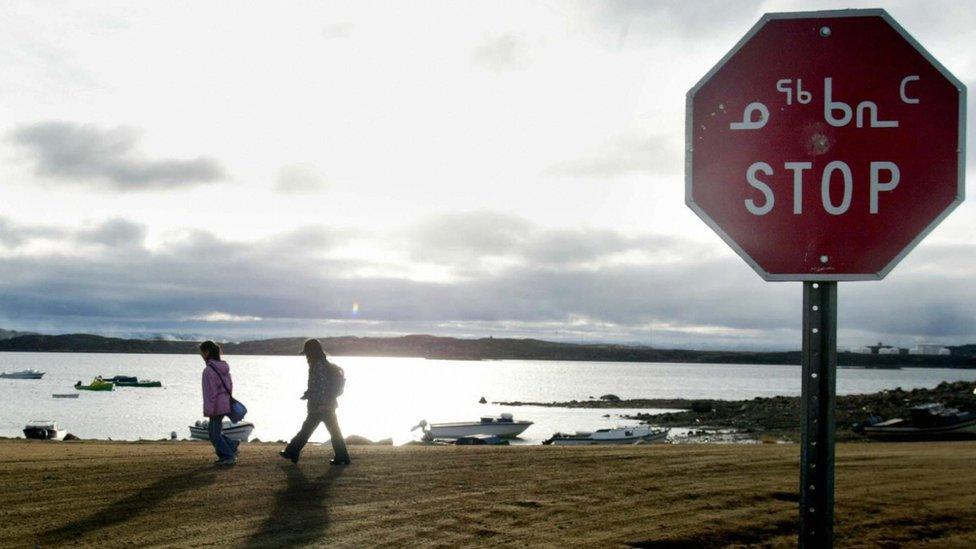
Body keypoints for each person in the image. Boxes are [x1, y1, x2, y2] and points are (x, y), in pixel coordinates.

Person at [280, 339, 350, 465]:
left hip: (321, 405)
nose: (306, 355)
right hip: (326, 404)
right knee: (331, 431)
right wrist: (308, 394)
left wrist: (321, 404)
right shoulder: (322, 364)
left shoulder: (318, 365)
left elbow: (321, 386)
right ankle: (342, 456)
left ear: (311, 352)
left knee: (307, 429)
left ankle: (292, 452)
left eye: (307, 352)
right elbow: (318, 386)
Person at [200, 340, 240, 465]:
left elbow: (210, 392)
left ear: (206, 352)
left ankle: (228, 456)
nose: (201, 356)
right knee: (213, 433)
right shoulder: (223, 368)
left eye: (201, 353)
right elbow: (230, 385)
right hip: (224, 403)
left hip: (216, 406)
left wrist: (209, 409)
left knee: (214, 434)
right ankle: (232, 446)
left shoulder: (208, 371)